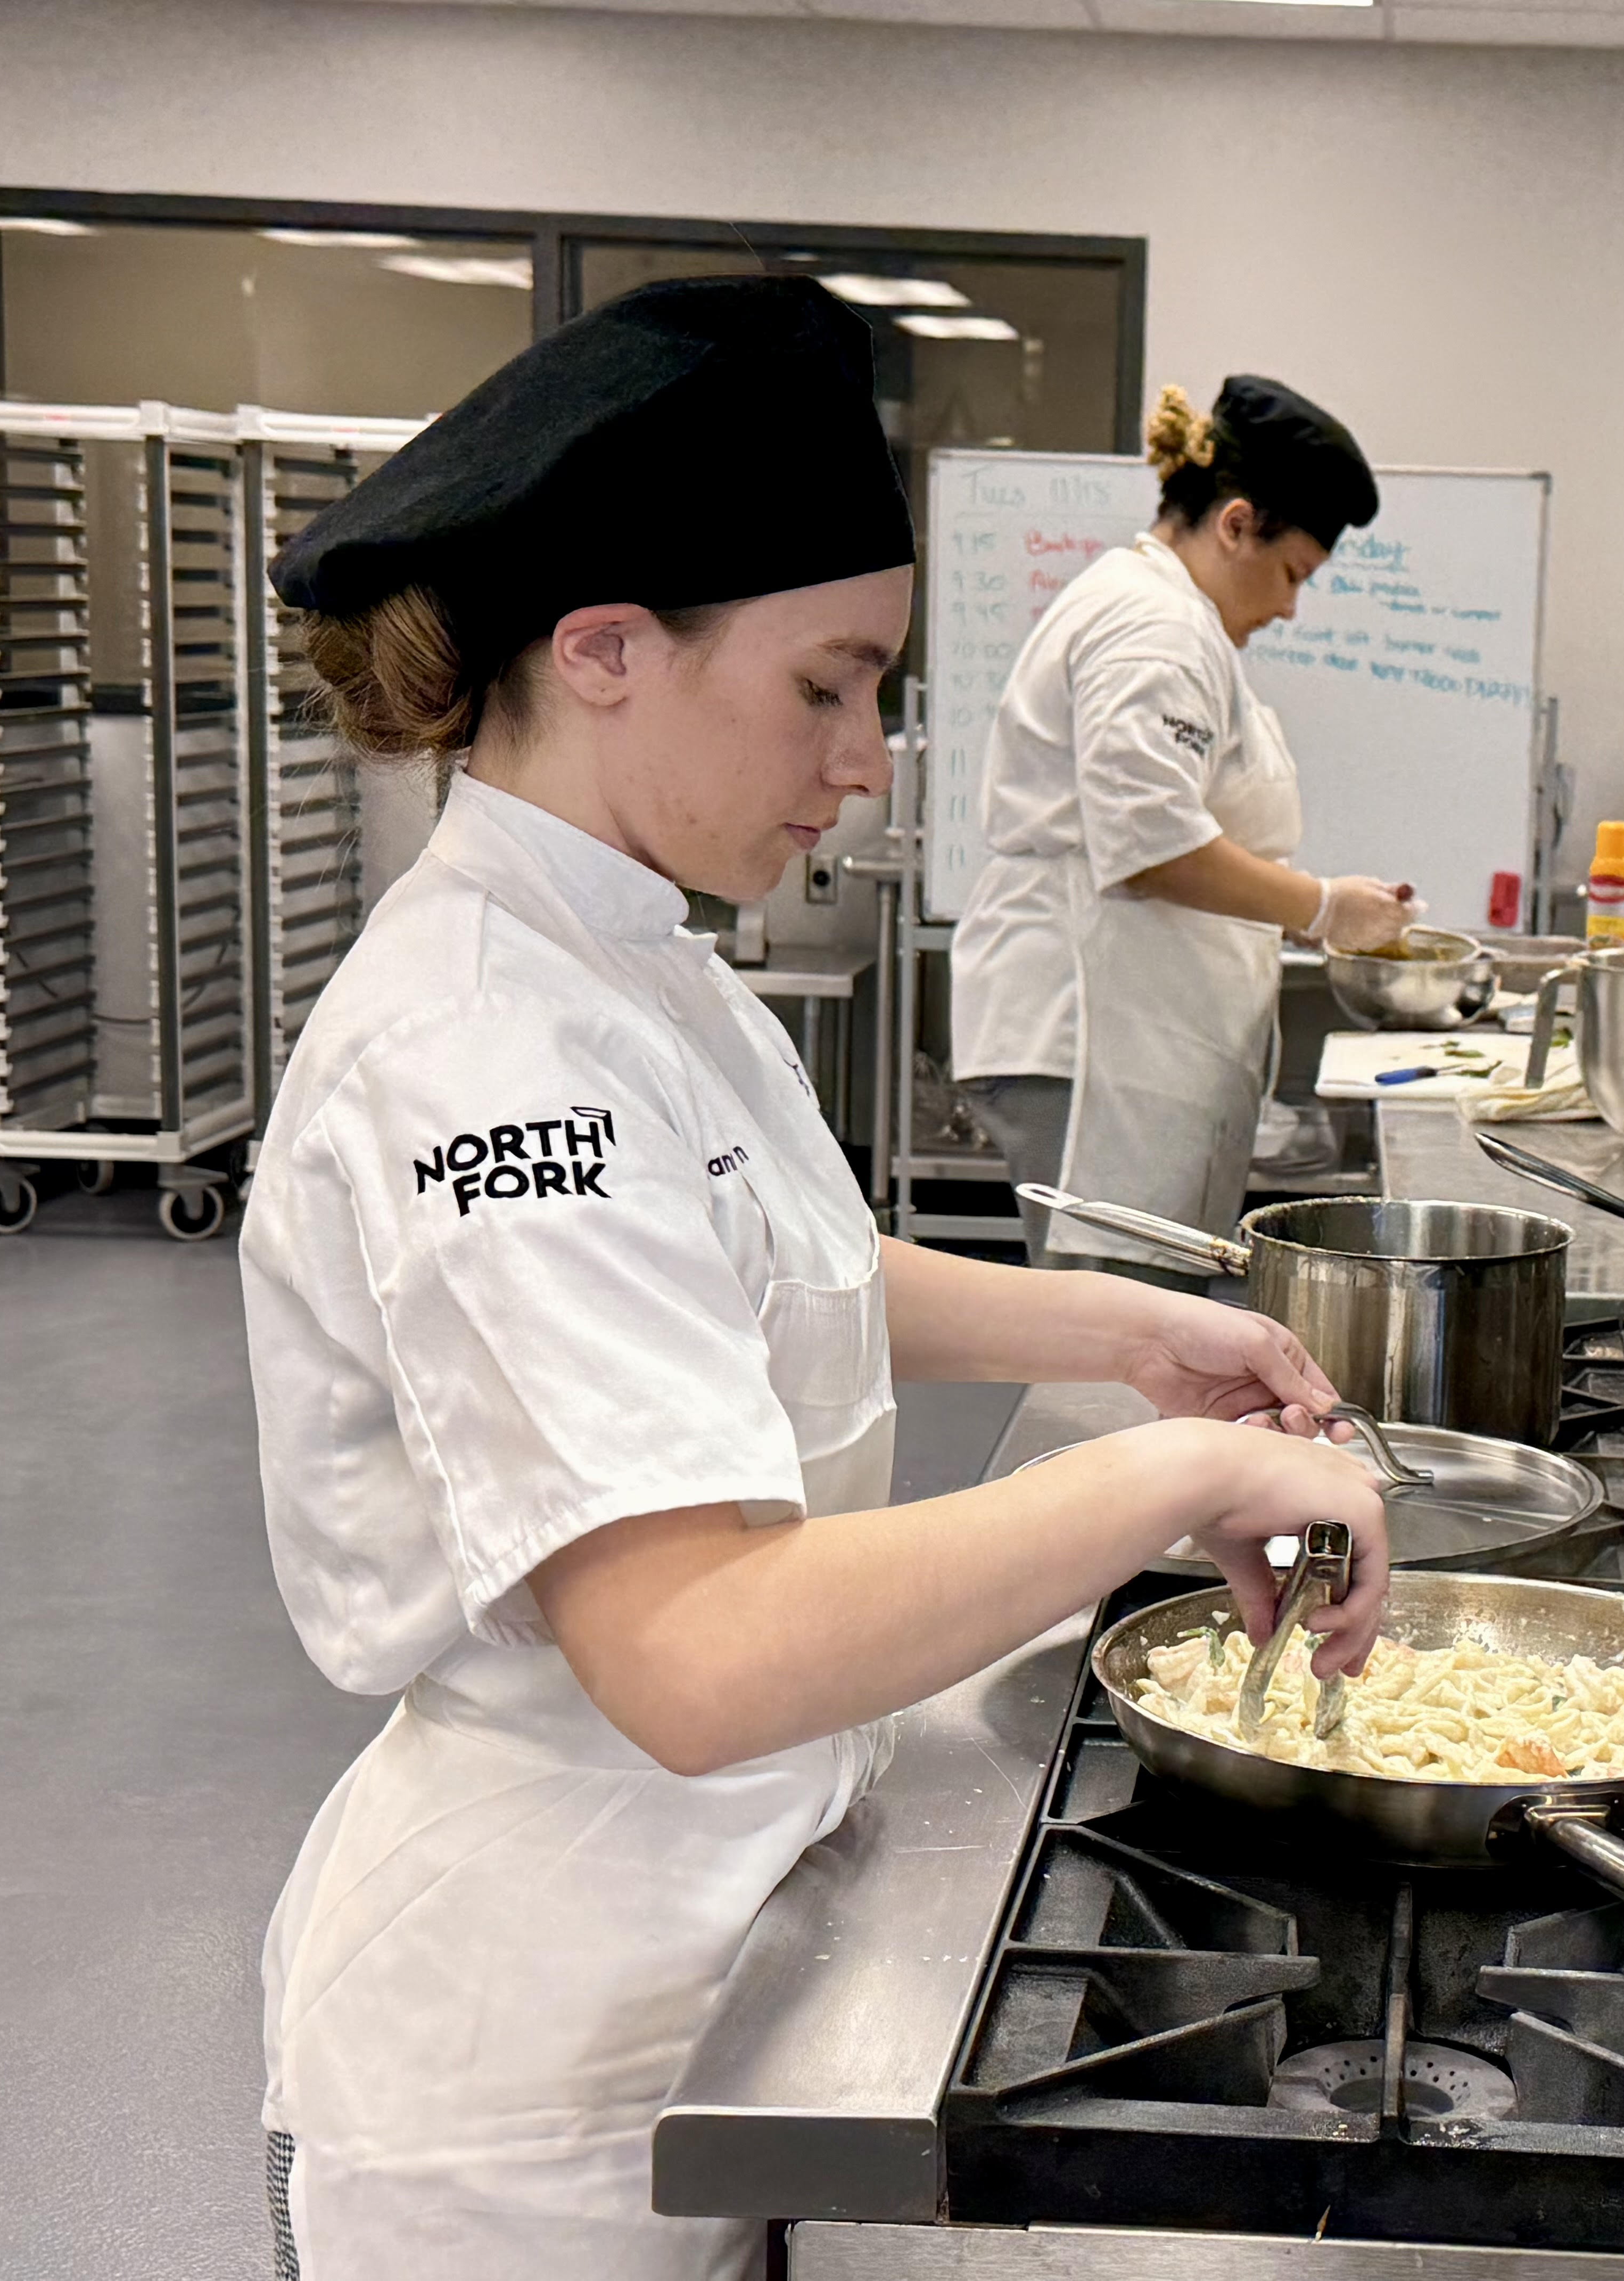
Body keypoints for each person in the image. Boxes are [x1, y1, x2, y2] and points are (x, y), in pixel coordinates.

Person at [240, 276, 1391, 2281]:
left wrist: (1136, 1336)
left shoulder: (641, 953)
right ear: (606, 650)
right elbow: (697, 1649)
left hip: (718, 1930)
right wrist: (1171, 1482)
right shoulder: (484, 1049)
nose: (867, 762)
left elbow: (780, 1263)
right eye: (826, 686)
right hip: (531, 2080)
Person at [949, 376, 1414, 1282]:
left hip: (1133, 1043)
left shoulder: (1171, 619)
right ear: (1237, 524)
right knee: (1114, 1347)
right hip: (1097, 1048)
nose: (1288, 609)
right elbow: (1153, 843)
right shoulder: (1154, 627)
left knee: (1145, 1336)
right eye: (1292, 575)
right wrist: (1323, 909)